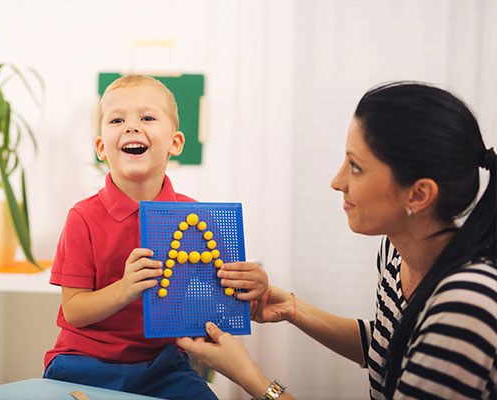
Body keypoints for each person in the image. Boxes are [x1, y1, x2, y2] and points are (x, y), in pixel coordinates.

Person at [177, 82, 497, 400]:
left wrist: (251, 378)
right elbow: (386, 346)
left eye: (355, 167)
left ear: (418, 194)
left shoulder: (467, 304)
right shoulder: (395, 254)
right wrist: (292, 308)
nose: (336, 181)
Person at [43, 74, 268, 399]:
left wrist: (249, 290)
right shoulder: (83, 217)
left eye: (147, 117)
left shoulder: (194, 218)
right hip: (82, 363)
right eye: (117, 119)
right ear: (101, 147)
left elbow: (211, 307)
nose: (132, 127)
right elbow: (74, 309)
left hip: (163, 367)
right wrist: (124, 289)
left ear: (175, 143)